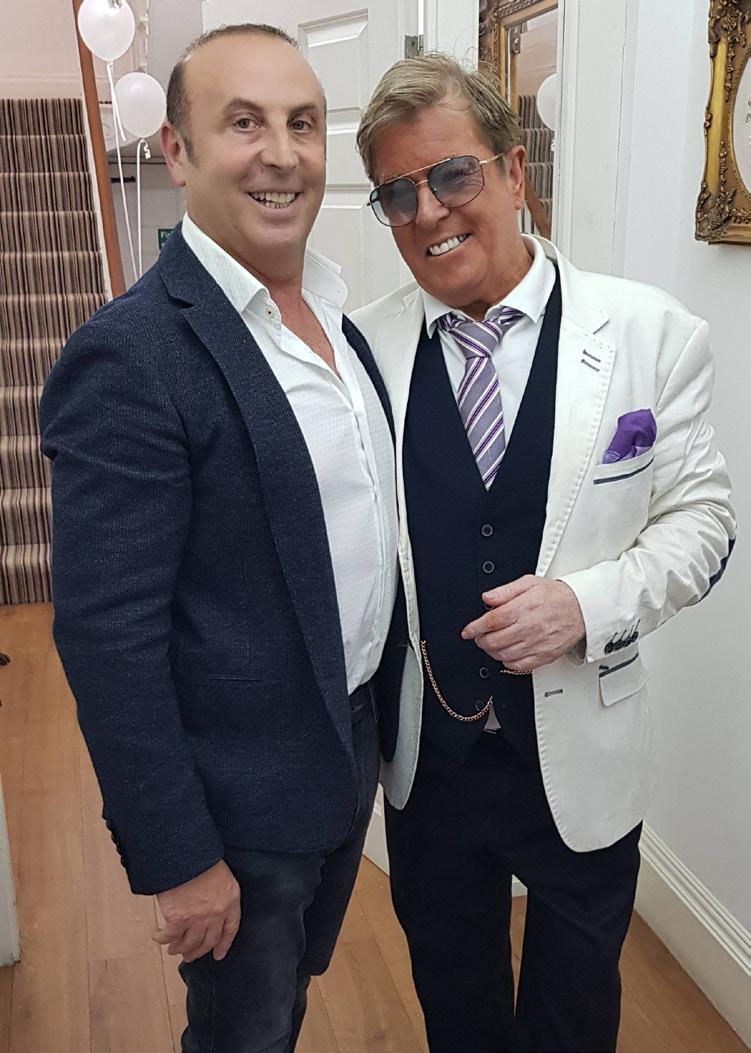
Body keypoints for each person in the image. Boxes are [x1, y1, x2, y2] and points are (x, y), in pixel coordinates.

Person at [352, 53, 735, 1053]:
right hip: (427, 764)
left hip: (584, 756)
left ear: (515, 171)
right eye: (398, 194)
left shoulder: (650, 333)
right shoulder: (358, 352)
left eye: (452, 175)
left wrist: (587, 603)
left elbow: (704, 524)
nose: (429, 213)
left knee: (573, 1018)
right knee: (456, 1012)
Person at [40, 24, 398, 1053]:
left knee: (288, 998)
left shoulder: (339, 319)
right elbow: (107, 636)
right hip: (236, 806)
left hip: (345, 753)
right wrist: (180, 855)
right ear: (177, 148)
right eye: (243, 123)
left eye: (301, 123)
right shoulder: (132, 356)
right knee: (244, 1033)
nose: (280, 154)